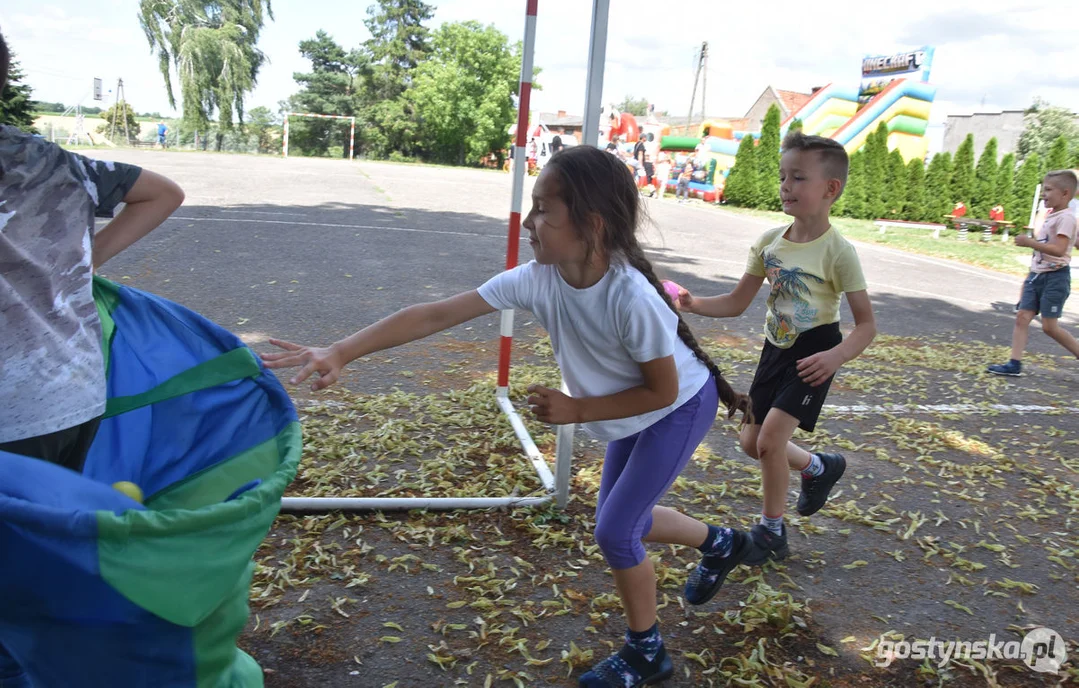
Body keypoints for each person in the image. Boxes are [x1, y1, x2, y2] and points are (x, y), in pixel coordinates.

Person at [259, 145, 762, 687]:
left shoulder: (630, 296)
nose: (529, 221)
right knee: (620, 520)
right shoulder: (537, 277)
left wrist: (577, 409)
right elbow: (436, 312)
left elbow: (661, 391)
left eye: (545, 209)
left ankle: (647, 653)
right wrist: (340, 350)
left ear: (591, 224)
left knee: (617, 532)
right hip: (633, 411)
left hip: (676, 408)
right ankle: (722, 543)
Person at [674, 133, 877, 562]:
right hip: (775, 349)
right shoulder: (769, 242)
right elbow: (735, 302)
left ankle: (771, 531)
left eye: (798, 177)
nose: (786, 185)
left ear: (830, 189)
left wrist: (836, 356)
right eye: (783, 176)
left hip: (815, 354)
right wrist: (692, 304)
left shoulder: (839, 253)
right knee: (751, 443)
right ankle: (819, 467)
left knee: (768, 442)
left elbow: (866, 325)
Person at [0, 31, 186, 474]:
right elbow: (163, 193)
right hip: (72, 394)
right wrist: (88, 260)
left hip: (11, 415)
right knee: (46, 539)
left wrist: (90, 259)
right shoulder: (50, 158)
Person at [988, 170, 1079, 376]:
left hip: (1055, 278)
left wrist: (1030, 242)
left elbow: (1059, 249)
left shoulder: (1066, 218)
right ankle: (1014, 363)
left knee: (1049, 327)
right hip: (1037, 275)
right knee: (1022, 316)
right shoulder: (1053, 215)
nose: (1044, 194)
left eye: (1048, 190)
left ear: (1065, 194)